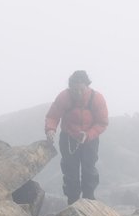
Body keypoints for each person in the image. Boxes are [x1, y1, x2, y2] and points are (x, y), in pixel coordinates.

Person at [45, 70, 109, 205]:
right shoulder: (64, 97)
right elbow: (53, 116)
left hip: (90, 139)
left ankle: (89, 200)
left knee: (89, 169)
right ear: (70, 87)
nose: (78, 93)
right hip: (68, 138)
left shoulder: (96, 99)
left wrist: (89, 134)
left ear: (87, 85)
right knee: (70, 171)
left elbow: (102, 122)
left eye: (81, 89)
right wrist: (51, 129)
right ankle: (72, 201)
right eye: (75, 90)